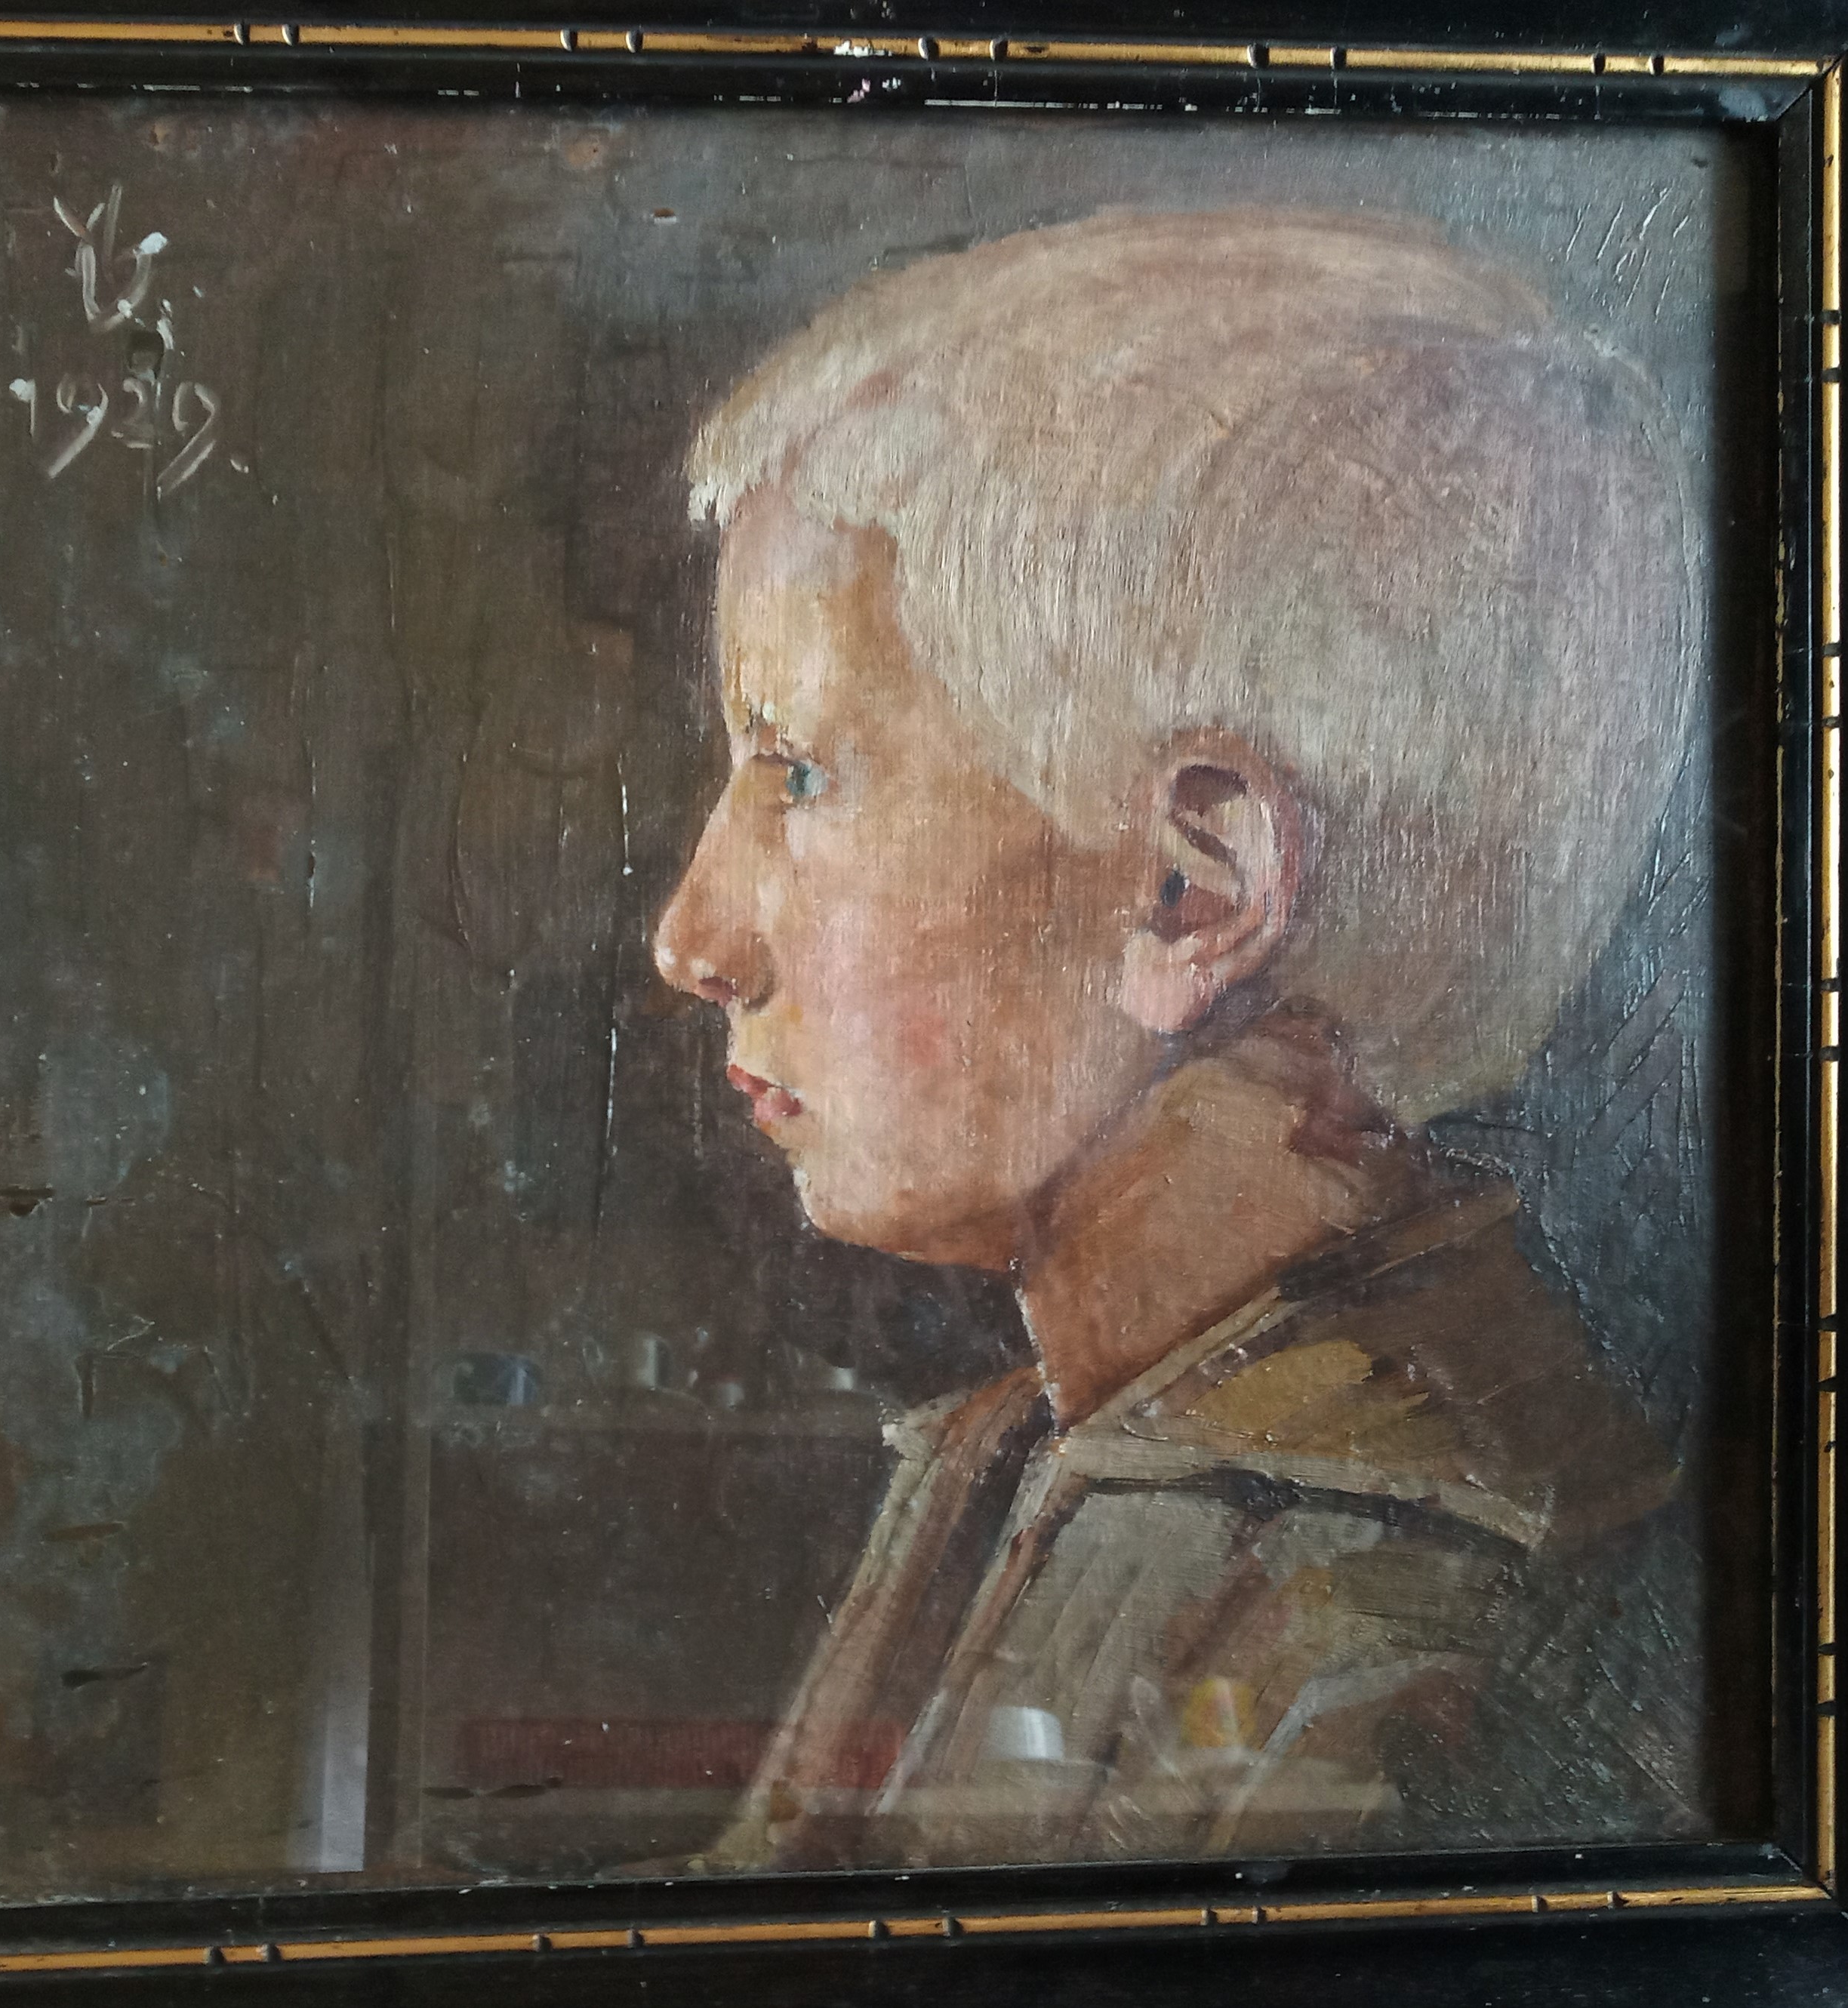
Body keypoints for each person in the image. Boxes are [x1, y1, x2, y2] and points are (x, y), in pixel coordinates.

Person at [651, 208, 1705, 1871]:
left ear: (1190, 892)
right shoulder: (1016, 1459)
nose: (692, 938)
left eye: (800, 776)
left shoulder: (1406, 1618)